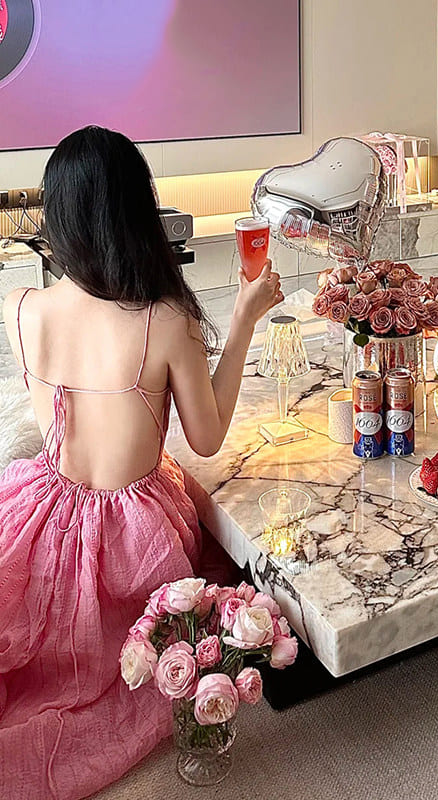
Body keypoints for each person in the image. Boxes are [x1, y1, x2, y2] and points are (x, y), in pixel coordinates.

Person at [0, 126, 283, 799]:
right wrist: (243, 317)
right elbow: (207, 439)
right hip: (133, 537)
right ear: (138, 212)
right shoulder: (165, 318)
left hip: (42, 514)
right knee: (199, 613)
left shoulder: (22, 307)